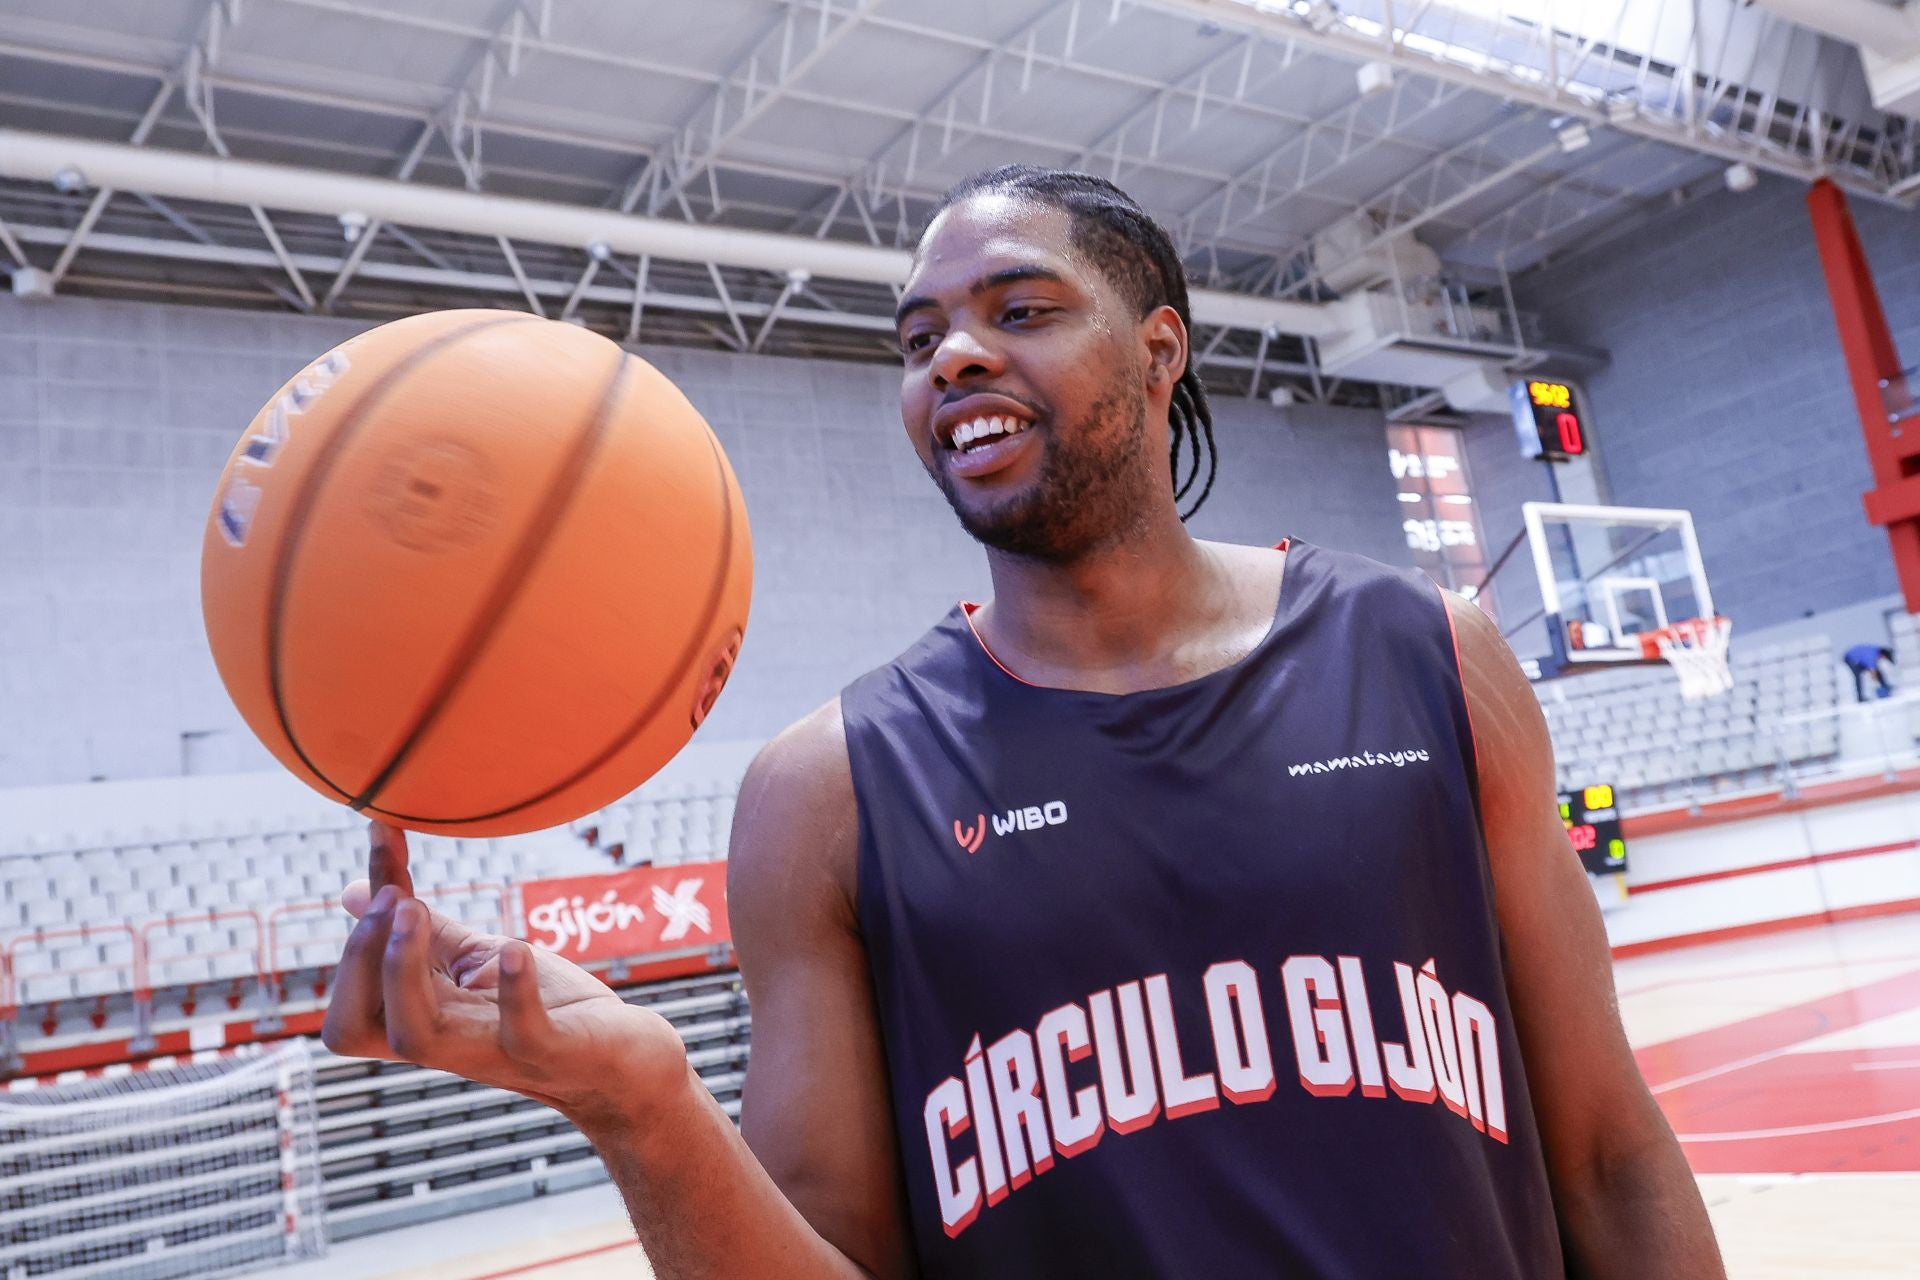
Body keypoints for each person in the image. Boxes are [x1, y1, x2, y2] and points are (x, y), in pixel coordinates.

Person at [322, 166, 1724, 1278]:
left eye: (1021, 311)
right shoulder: (830, 793)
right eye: (922, 339)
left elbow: (1609, 1156)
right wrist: (641, 1105)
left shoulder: (1431, 654)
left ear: (1159, 346)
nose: (954, 359)